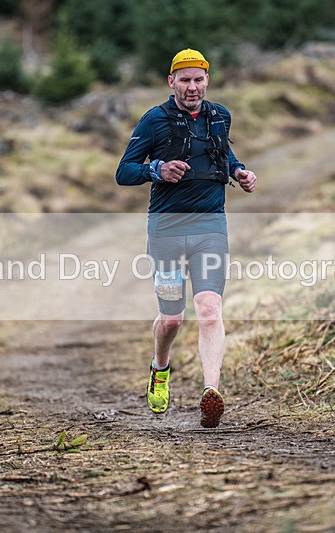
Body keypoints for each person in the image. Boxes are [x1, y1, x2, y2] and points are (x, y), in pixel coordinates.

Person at [116, 48, 257, 428]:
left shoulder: (219, 116)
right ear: (171, 82)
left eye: (198, 79)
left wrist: (241, 171)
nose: (192, 87)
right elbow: (124, 172)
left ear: (207, 80)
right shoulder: (154, 121)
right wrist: (157, 169)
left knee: (209, 309)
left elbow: (222, 154)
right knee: (173, 319)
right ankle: (160, 367)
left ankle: (211, 393)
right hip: (165, 230)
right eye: (185, 80)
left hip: (210, 227)